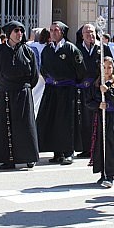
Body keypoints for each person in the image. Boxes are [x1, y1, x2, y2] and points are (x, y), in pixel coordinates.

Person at [37, 21, 87, 165]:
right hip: (52, 90)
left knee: (67, 121)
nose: (53, 32)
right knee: (53, 120)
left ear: (62, 32)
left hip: (67, 90)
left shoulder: (71, 49)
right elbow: (43, 68)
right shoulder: (47, 50)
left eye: (56, 30)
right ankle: (56, 152)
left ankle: (68, 152)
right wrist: (49, 79)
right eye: (51, 30)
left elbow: (80, 70)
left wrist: (71, 82)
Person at [0, 21, 39, 170]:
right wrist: (4, 85)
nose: (19, 34)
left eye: (21, 31)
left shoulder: (28, 51)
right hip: (5, 91)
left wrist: (25, 87)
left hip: (23, 91)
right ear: (9, 33)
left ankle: (28, 157)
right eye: (16, 31)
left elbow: (34, 75)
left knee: (25, 126)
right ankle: (8, 159)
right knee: (6, 126)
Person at [86, 57, 114, 188]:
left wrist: (108, 91)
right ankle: (102, 172)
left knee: (112, 145)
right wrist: (98, 105)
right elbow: (88, 101)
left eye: (109, 67)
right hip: (100, 117)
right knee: (100, 145)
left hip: (112, 118)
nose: (107, 70)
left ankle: (111, 174)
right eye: (104, 67)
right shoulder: (96, 84)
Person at [76, 23, 113, 157]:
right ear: (82, 35)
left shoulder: (102, 48)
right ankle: (86, 148)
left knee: (97, 118)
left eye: (92, 32)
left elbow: (111, 65)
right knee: (84, 119)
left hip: (98, 88)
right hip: (83, 89)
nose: (89, 35)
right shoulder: (77, 48)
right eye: (86, 32)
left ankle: (98, 147)